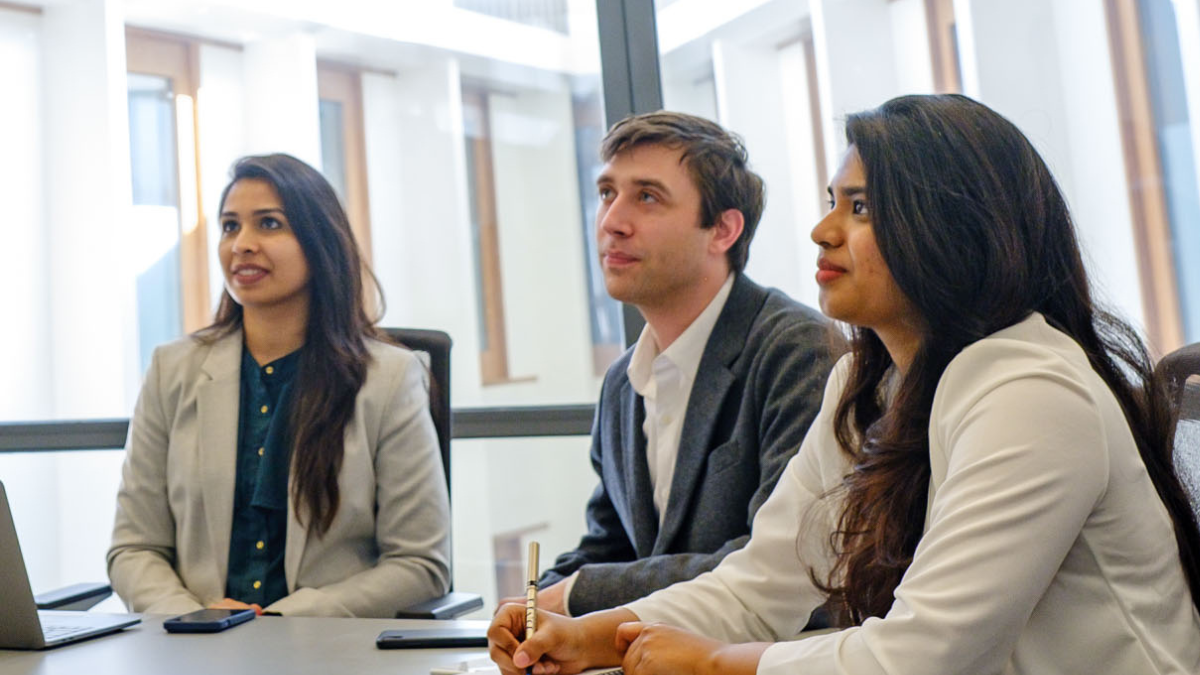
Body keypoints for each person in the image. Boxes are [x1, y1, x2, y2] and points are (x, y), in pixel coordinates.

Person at [488, 94, 1200, 674]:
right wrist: (595, 634)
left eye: (859, 208)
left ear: (951, 229)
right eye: (834, 201)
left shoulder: (1031, 389)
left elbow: (925, 654)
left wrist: (716, 663)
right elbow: (763, 581)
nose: (822, 231)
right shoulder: (869, 385)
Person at [108, 154, 451, 618]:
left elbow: (420, 564)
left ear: (319, 240)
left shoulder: (388, 378)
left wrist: (281, 623)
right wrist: (193, 617)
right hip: (195, 653)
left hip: (327, 655)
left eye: (269, 224)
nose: (242, 245)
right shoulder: (173, 371)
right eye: (230, 227)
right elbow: (134, 548)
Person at [525, 111, 833, 617]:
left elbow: (780, 563)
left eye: (646, 196)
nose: (611, 222)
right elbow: (611, 547)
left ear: (723, 230)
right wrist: (532, 605)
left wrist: (579, 595)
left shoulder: (798, 350)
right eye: (607, 193)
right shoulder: (622, 383)